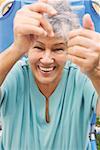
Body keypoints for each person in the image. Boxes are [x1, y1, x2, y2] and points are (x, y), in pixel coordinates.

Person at [0, 0, 100, 149]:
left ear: (69, 49)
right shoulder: (14, 74)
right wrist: (16, 48)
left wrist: (96, 73)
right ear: (27, 49)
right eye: (39, 48)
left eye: (58, 49)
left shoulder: (81, 76)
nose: (46, 60)